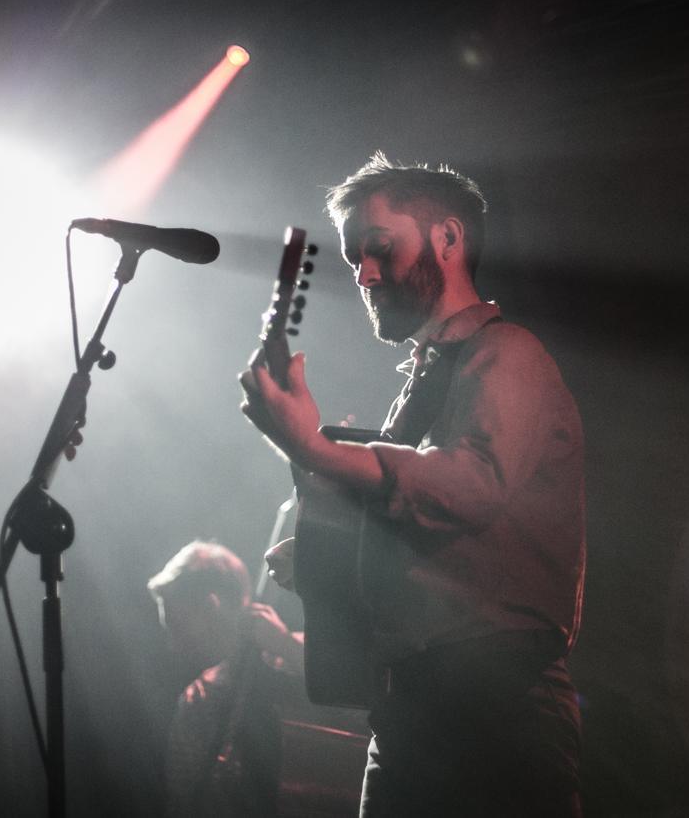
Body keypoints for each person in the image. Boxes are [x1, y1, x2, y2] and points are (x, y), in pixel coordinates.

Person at [239, 152, 586, 816]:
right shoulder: (428, 380)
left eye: (379, 248)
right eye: (353, 259)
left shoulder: (508, 353)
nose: (365, 273)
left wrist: (309, 444)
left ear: (448, 239)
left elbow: (469, 484)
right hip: (411, 707)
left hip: (498, 708)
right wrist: (322, 547)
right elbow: (411, 526)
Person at [147, 540, 305, 817]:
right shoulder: (198, 697)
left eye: (178, 626)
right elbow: (181, 798)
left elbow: (358, 685)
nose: (173, 644)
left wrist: (285, 644)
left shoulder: (290, 657)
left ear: (211, 605)